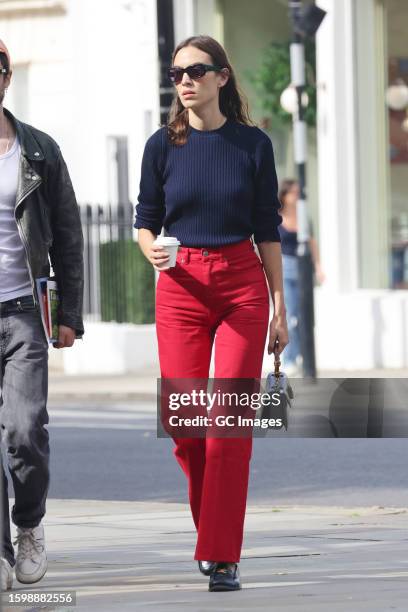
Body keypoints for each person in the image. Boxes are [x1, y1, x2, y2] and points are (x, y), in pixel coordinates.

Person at [135, 35, 288, 592]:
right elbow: (144, 217)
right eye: (176, 73)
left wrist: (280, 308)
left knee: (228, 427)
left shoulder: (253, 145)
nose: (185, 81)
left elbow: (268, 230)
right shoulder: (161, 145)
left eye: (196, 71)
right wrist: (147, 246)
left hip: (242, 286)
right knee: (186, 426)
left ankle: (223, 556)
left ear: (222, 77)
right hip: (179, 288)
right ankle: (212, 534)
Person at [0, 40, 84, 591]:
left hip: (26, 312)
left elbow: (70, 235)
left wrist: (69, 313)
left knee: (26, 430)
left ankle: (28, 525)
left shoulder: (38, 150)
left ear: (6, 78)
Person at [278, 178, 325, 375]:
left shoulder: (304, 217)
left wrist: (318, 267)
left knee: (303, 316)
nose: (297, 197)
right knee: (289, 314)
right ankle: (290, 358)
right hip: (284, 267)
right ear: (285, 196)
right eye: (293, 193)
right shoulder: (277, 217)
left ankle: (299, 355)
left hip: (303, 270)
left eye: (299, 193)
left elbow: (312, 243)